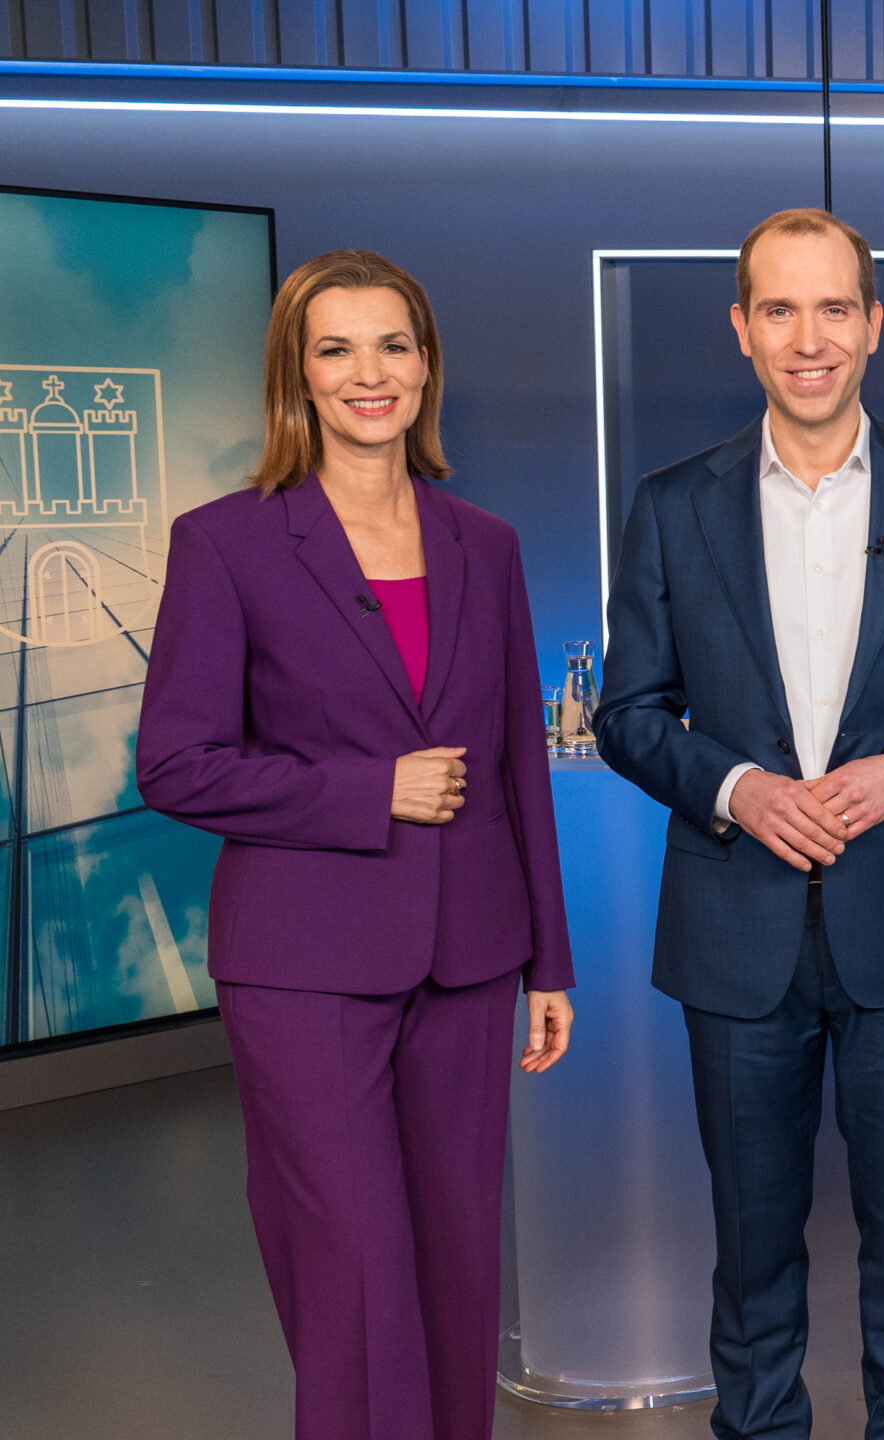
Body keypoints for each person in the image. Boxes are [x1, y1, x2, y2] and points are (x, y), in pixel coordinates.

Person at [594, 208, 884, 1440]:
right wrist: (738, 790)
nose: (808, 337)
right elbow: (631, 713)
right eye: (778, 309)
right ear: (739, 329)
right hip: (735, 931)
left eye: (833, 308)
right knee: (749, 1237)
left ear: (873, 325)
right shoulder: (670, 506)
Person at [135, 249, 574, 1440]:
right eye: (336, 348)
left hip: (473, 952)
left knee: (454, 1259)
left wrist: (548, 961)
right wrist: (366, 789)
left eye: (393, 344)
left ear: (427, 365)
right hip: (304, 962)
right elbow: (175, 765)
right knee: (355, 1264)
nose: (369, 372)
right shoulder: (226, 541)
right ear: (298, 374)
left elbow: (517, 766)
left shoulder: (483, 542)